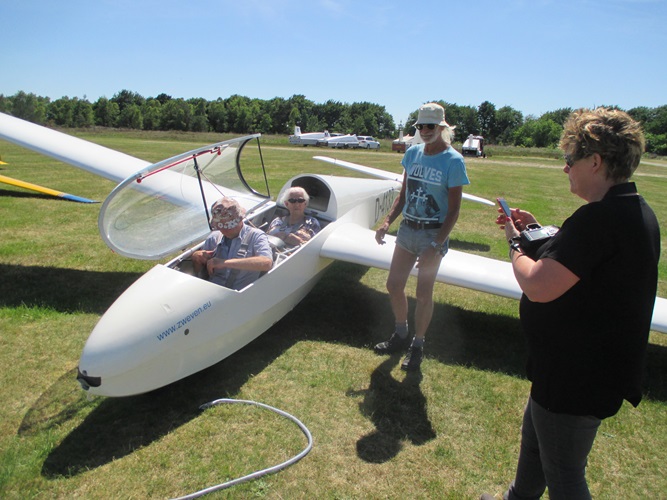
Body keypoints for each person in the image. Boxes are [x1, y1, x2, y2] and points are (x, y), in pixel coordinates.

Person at [482, 108, 660, 500]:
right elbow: (579, 261)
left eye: (570, 160)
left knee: (564, 476)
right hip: (572, 371)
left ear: (595, 162)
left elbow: (538, 285)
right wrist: (532, 229)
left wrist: (514, 241)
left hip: (576, 378)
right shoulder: (634, 211)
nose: (565, 169)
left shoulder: (599, 220)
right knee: (535, 448)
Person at [374, 102, 470, 371]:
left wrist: (436, 245)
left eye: (431, 126)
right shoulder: (413, 153)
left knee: (424, 293)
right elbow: (403, 193)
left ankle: (417, 344)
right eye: (420, 126)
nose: (425, 130)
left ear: (442, 128)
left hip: (432, 233)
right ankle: (401, 333)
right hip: (408, 229)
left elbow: (454, 211)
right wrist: (386, 222)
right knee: (394, 285)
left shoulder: (453, 161)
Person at [192, 197, 273, 290]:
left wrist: (224, 263)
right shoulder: (214, 237)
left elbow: (266, 263)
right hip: (211, 292)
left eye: (228, 226)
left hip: (239, 297)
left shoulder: (256, 236)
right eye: (220, 227)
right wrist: (196, 259)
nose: (223, 230)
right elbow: (201, 275)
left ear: (240, 220)